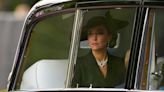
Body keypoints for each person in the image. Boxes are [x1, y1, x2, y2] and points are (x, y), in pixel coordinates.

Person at [71, 11, 129, 88]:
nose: (94, 38)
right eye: (90, 33)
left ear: (109, 37)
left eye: (100, 33)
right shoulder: (79, 64)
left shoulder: (119, 63)